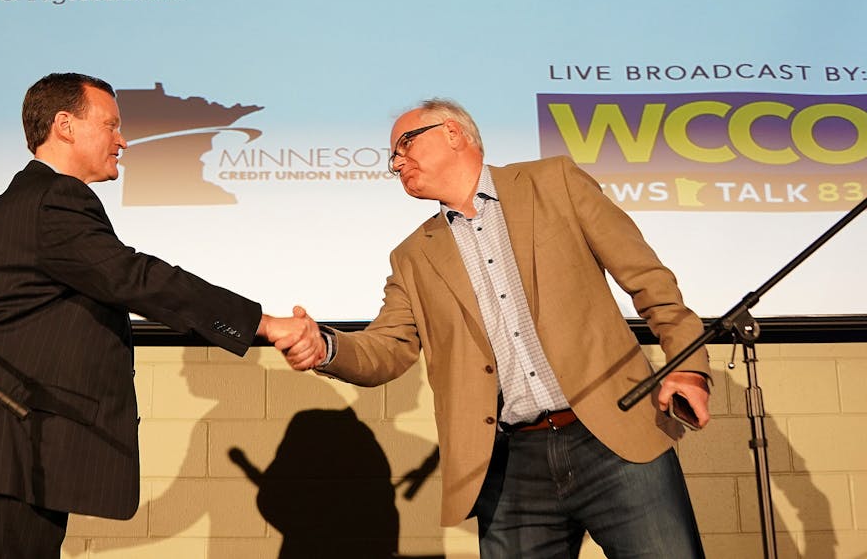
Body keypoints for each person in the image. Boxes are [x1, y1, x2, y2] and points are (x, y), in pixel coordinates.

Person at [285, 98, 711, 558]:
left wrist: (688, 366)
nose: (396, 162)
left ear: (453, 133)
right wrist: (325, 346)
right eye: (392, 158)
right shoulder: (412, 257)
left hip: (614, 438)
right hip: (510, 467)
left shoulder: (555, 182)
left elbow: (648, 280)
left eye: (405, 144)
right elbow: (386, 348)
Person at [0, 72, 312, 558]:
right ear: (65, 125)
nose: (123, 140)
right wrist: (262, 324)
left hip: (6, 460)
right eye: (111, 125)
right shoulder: (53, 198)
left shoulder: (30, 199)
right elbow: (135, 277)